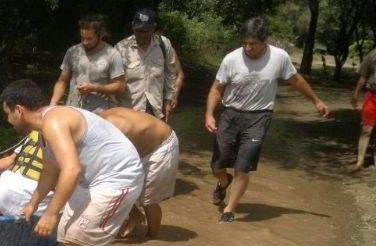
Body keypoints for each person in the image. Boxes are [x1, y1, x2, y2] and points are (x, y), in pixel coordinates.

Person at [1, 80, 143, 246]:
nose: (8, 120)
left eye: (7, 113)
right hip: (91, 177)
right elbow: (49, 173)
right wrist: (33, 204)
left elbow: (71, 169)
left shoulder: (54, 121)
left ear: (18, 110)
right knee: (66, 233)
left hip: (118, 176)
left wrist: (49, 215)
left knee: (79, 235)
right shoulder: (44, 132)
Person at [205, 17, 329, 222]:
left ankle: (229, 210)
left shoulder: (279, 57)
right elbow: (216, 88)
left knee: (242, 167)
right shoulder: (231, 59)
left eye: (252, 43)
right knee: (217, 166)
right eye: (244, 42)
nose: (247, 47)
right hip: (231, 114)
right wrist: (209, 114)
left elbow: (296, 80)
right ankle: (223, 180)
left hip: (259, 117)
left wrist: (316, 101)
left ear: (265, 41)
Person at [99, 107, 179, 237]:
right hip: (138, 143)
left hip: (161, 144)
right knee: (118, 186)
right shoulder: (95, 122)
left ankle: (152, 238)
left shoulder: (115, 129)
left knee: (148, 200)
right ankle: (135, 216)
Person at [49, 13, 126, 113]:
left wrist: (95, 87)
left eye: (89, 38)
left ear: (101, 35)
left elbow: (120, 86)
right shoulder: (73, 51)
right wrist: (53, 102)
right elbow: (62, 81)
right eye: (82, 38)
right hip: (73, 110)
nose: (85, 42)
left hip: (101, 113)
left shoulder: (112, 55)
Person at [115, 9, 178, 120]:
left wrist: (168, 101)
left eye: (145, 31)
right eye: (137, 30)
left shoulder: (164, 44)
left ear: (153, 29)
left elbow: (170, 74)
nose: (140, 35)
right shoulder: (121, 49)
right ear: (132, 26)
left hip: (156, 111)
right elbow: (114, 83)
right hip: (129, 113)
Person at [349, 47, 376, 172]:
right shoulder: (373, 55)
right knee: (366, 129)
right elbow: (363, 77)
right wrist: (355, 94)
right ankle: (360, 162)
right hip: (372, 95)